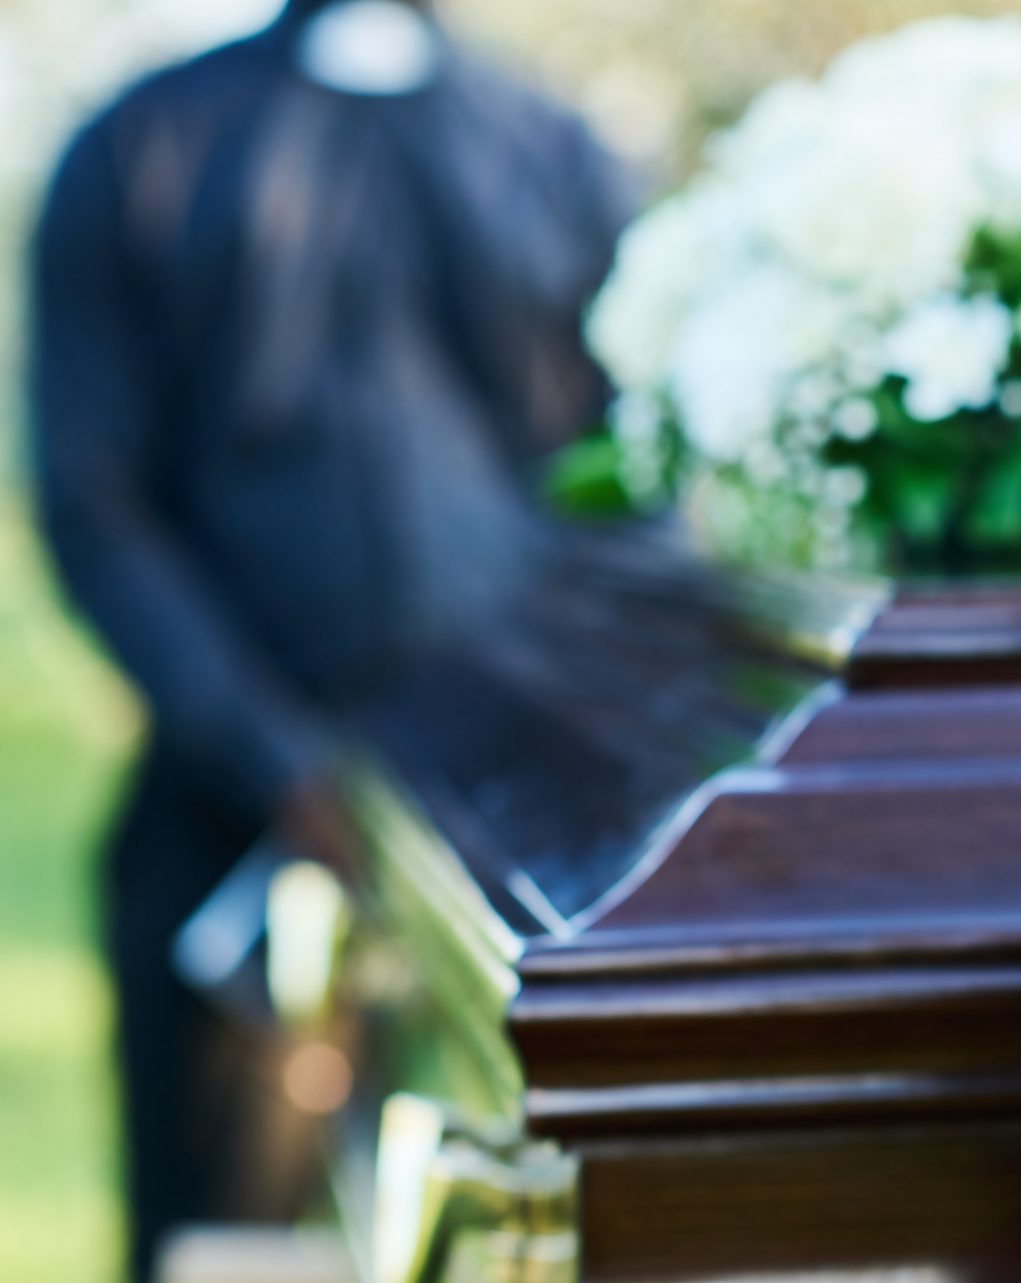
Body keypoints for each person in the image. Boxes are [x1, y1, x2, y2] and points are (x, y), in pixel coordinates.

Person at [29, 1, 630, 1276]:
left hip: (522, 855)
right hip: (232, 830)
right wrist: (277, 759)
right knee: (228, 1247)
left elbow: (623, 488)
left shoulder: (556, 150)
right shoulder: (141, 147)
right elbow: (91, 497)